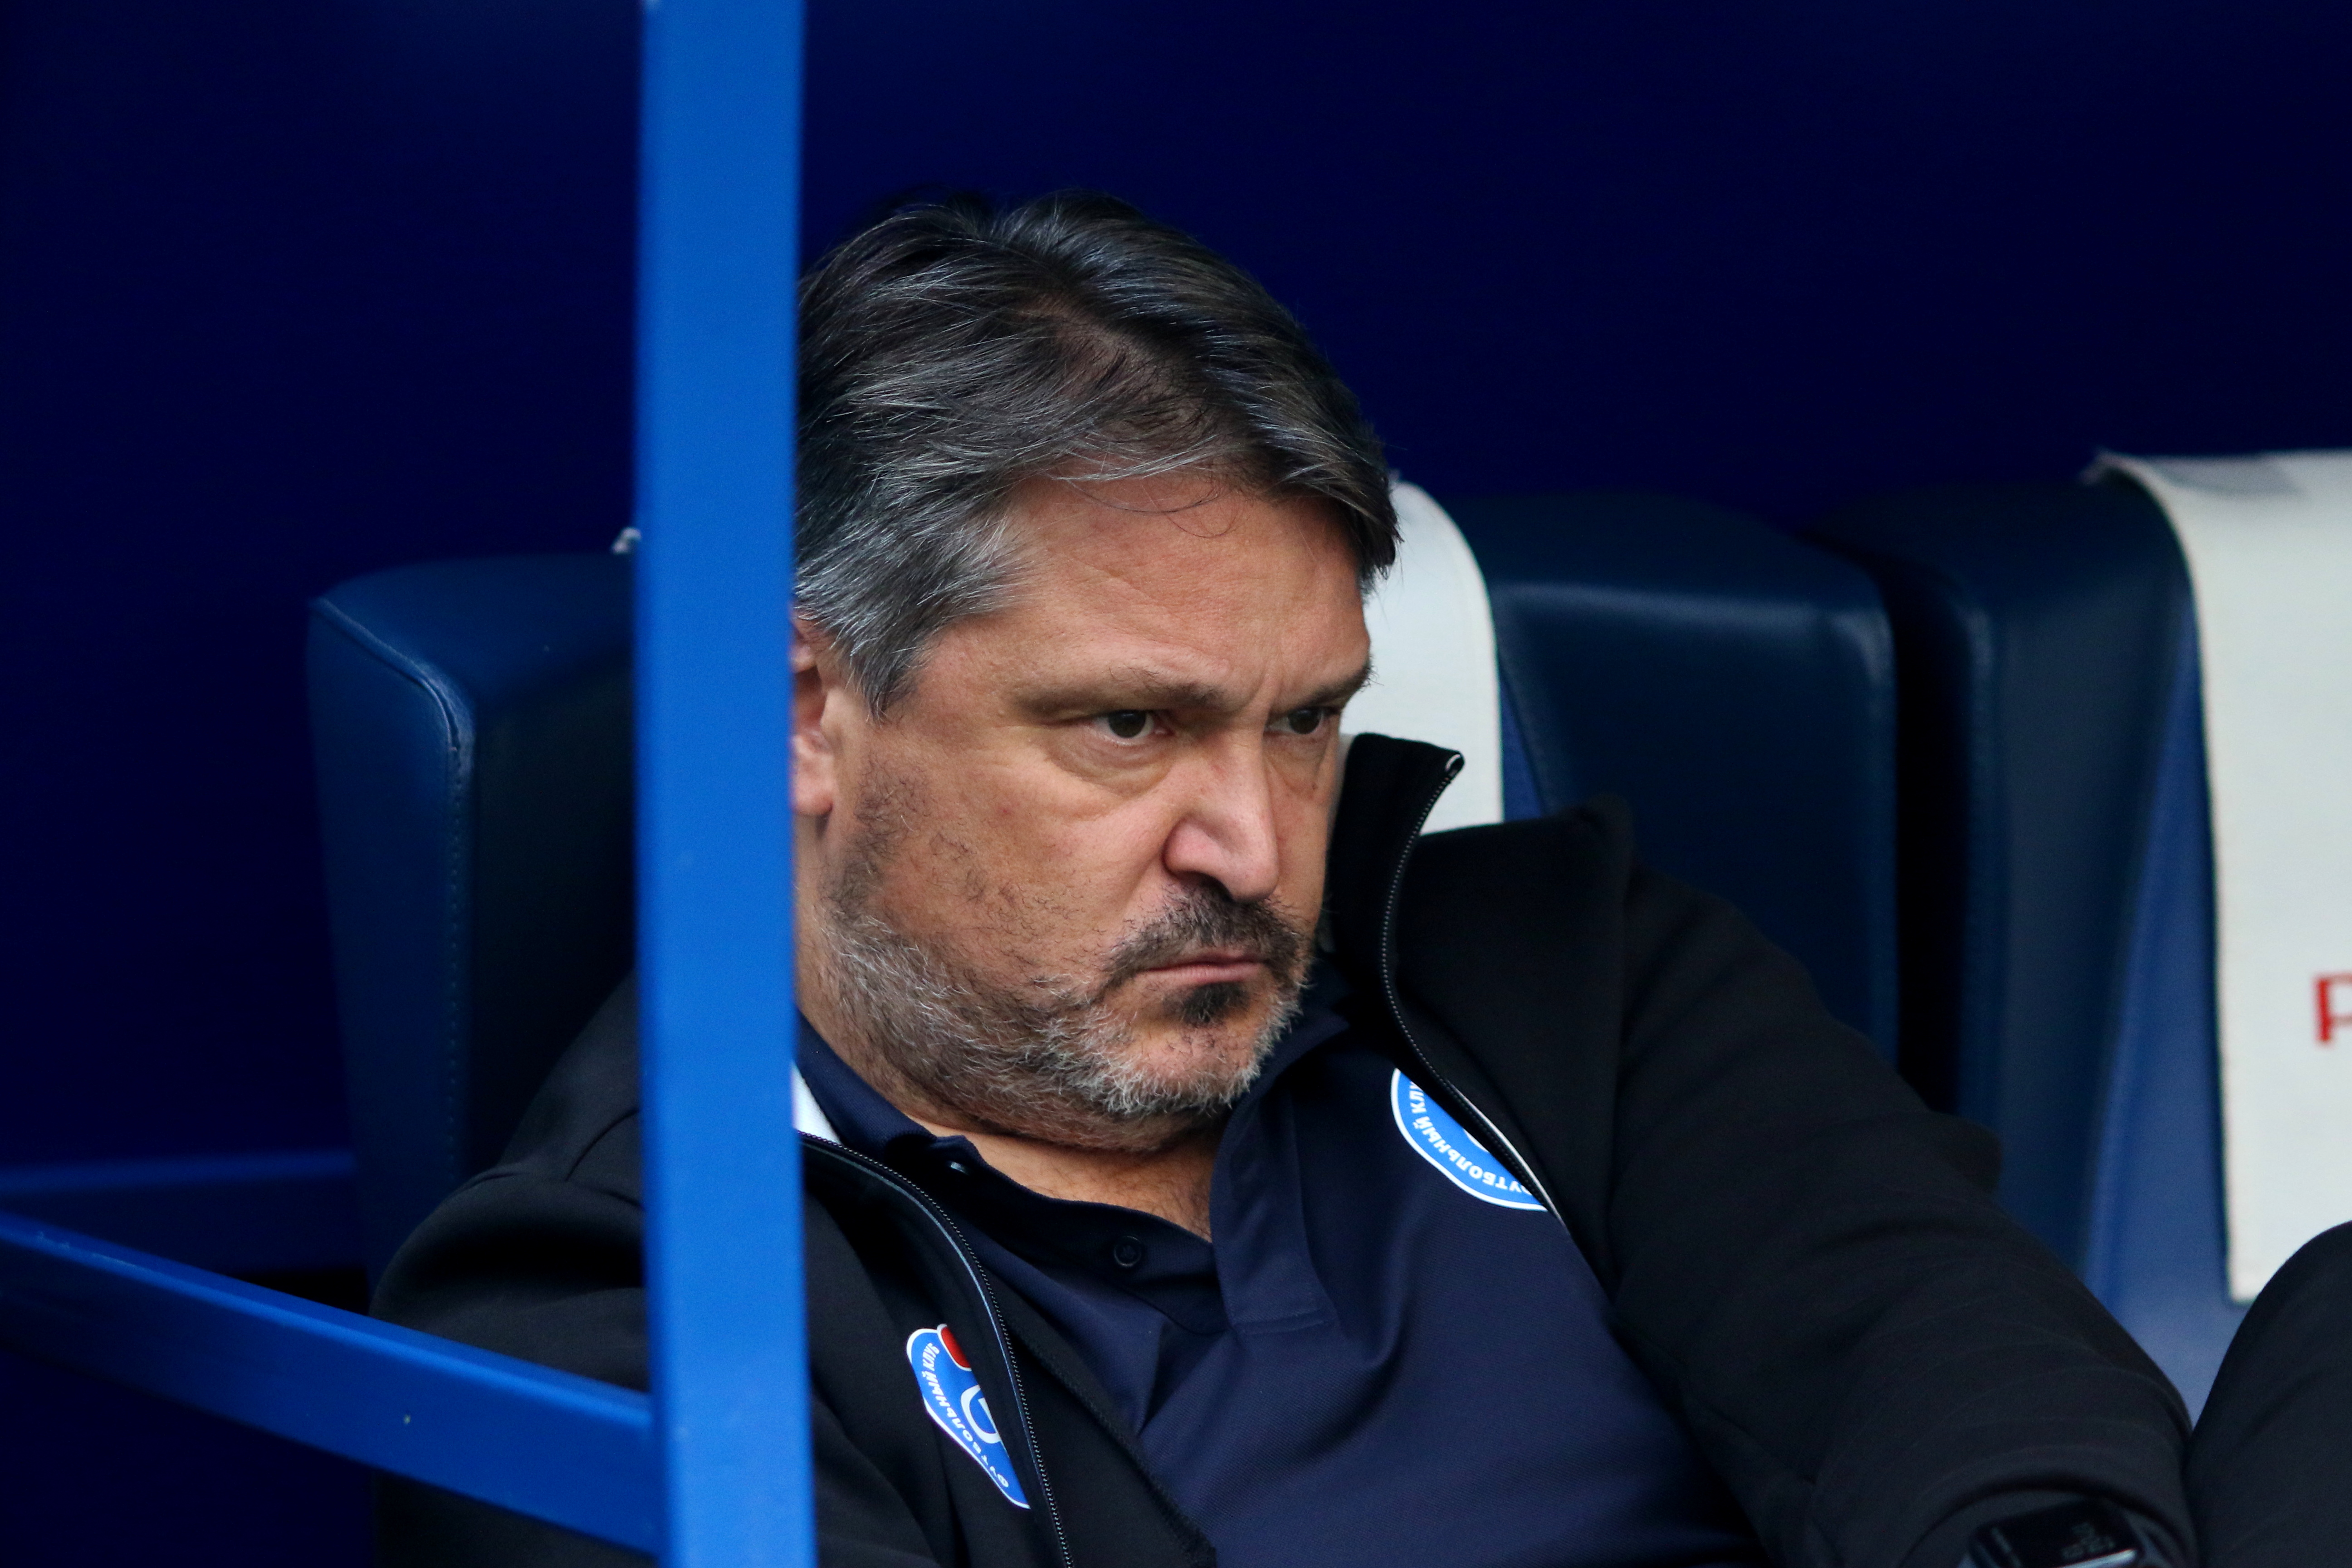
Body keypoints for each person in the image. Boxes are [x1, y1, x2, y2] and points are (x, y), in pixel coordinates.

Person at [374, 193, 2192, 1568]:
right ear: (801, 715)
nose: (1253, 848)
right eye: (1129, 727)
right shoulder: (613, 1300)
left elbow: (1959, 1369)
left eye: (1306, 719)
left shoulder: (1559, 971)